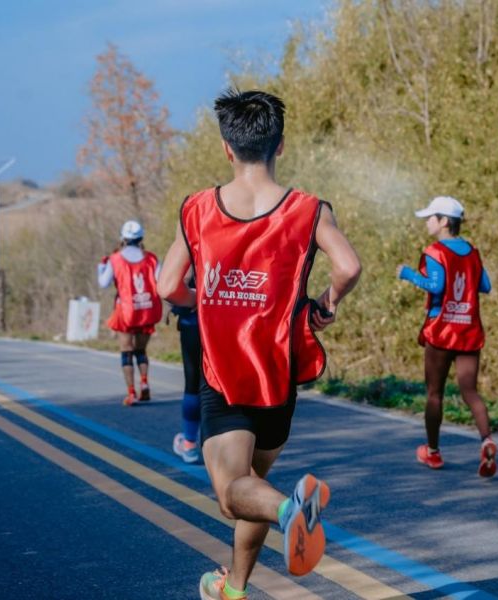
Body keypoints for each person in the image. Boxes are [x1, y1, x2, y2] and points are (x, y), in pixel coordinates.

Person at [158, 89, 361, 600]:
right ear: (280, 145)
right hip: (279, 376)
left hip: (224, 374)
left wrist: (201, 302)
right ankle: (234, 587)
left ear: (227, 147)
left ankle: (291, 511)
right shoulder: (309, 210)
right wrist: (327, 303)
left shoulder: (198, 209)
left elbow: (167, 286)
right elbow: (349, 266)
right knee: (253, 486)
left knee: (233, 496)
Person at [396, 196, 497, 476]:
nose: (427, 222)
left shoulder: (435, 251)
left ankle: (433, 452)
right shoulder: (472, 252)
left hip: (441, 330)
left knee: (434, 394)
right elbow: (485, 285)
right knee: (470, 391)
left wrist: (408, 274)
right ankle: (486, 440)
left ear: (443, 222)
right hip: (469, 330)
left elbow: (436, 285)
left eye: (431, 218)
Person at [98, 220, 162, 406]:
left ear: (123, 238)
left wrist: (101, 267)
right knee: (141, 350)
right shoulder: (152, 259)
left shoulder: (115, 259)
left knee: (126, 351)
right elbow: (161, 281)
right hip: (147, 308)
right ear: (141, 238)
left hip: (126, 311)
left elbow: (103, 283)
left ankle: (131, 392)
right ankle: (144, 382)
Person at [171, 271, 202, 464]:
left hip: (194, 320)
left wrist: (193, 297)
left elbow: (169, 287)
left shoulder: (191, 247)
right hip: (232, 319)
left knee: (193, 383)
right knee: (223, 385)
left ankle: (190, 443)